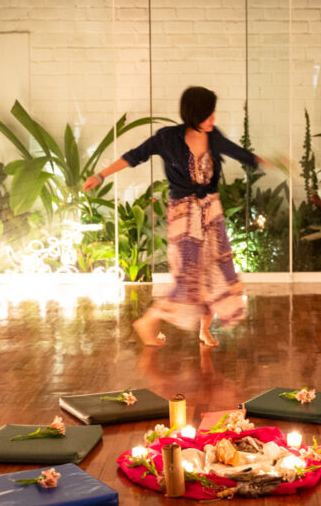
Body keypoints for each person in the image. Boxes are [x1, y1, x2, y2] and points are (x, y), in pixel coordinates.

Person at [83, 86, 269, 347]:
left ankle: (204, 330)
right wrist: (100, 175)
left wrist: (265, 161)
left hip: (211, 212)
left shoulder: (213, 136)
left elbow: (239, 152)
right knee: (188, 274)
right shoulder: (167, 138)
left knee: (214, 271)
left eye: (213, 113)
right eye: (207, 115)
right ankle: (148, 321)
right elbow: (134, 156)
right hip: (184, 214)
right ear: (193, 114)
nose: (212, 119)